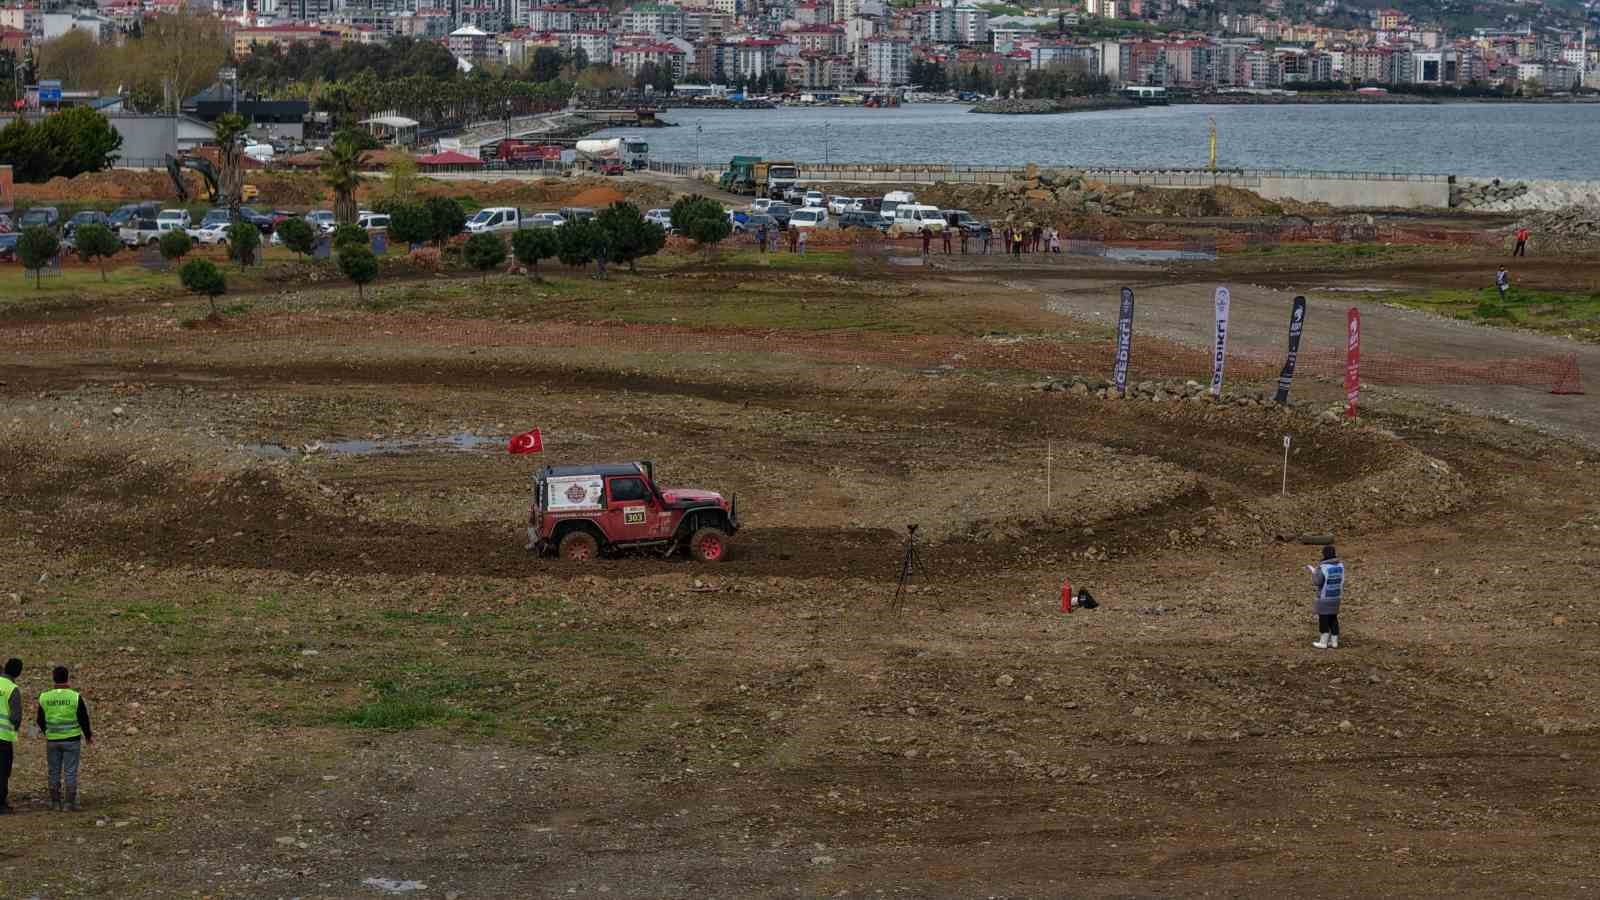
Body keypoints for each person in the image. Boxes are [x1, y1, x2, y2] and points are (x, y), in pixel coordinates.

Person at [38, 666, 91, 812]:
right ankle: (69, 803)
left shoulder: (45, 697)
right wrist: (88, 735)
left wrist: (48, 732)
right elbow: (83, 718)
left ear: (53, 678)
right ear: (67, 677)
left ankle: (55, 802)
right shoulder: (75, 696)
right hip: (72, 740)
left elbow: (39, 720)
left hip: (52, 740)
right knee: (70, 771)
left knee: (53, 770)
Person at [1308, 545, 1346, 649]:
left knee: (1324, 619)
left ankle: (1323, 642)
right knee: (1333, 618)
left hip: (1325, 598)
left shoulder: (1323, 567)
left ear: (1324, 554)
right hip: (1337, 596)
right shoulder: (1340, 566)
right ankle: (1334, 643)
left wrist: (1314, 572)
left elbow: (1317, 582)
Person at [0, 659, 20, 814]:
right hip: (3, 737)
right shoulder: (12, 688)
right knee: (3, 771)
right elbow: (15, 717)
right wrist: (16, 728)